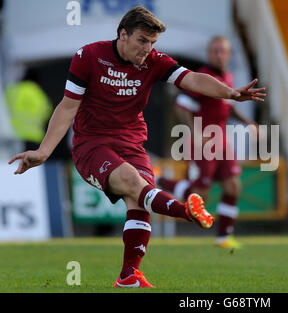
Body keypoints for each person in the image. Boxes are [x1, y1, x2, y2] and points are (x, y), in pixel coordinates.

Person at [8, 6, 266, 288]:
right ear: (123, 34)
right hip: (92, 144)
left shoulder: (154, 61)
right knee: (134, 183)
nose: (148, 49)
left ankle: (129, 275)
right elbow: (68, 107)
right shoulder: (89, 56)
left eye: (153, 43)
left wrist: (230, 93)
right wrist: (43, 151)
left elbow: (191, 78)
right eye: (142, 40)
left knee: (139, 201)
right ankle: (185, 211)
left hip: (132, 142)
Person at [157, 36, 258, 249]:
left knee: (233, 186)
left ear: (229, 55)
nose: (219, 54)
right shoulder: (203, 77)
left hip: (221, 139)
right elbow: (181, 105)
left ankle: (223, 237)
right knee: (200, 194)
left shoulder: (228, 77)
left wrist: (248, 122)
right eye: (215, 51)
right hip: (204, 141)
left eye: (223, 51)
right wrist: (195, 133)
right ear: (209, 53)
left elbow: (227, 107)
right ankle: (161, 182)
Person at [5, 68, 53, 151]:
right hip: (33, 137)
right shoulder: (36, 92)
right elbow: (48, 111)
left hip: (13, 135)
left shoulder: (13, 90)